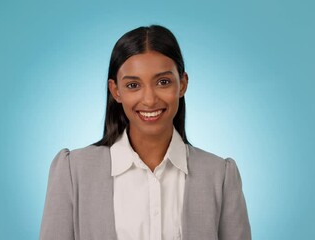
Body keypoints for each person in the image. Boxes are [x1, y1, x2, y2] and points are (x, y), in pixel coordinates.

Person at [40, 25, 251, 240]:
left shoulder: (219, 175)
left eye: (163, 82)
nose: (149, 100)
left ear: (183, 84)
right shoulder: (73, 171)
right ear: (116, 91)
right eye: (133, 85)